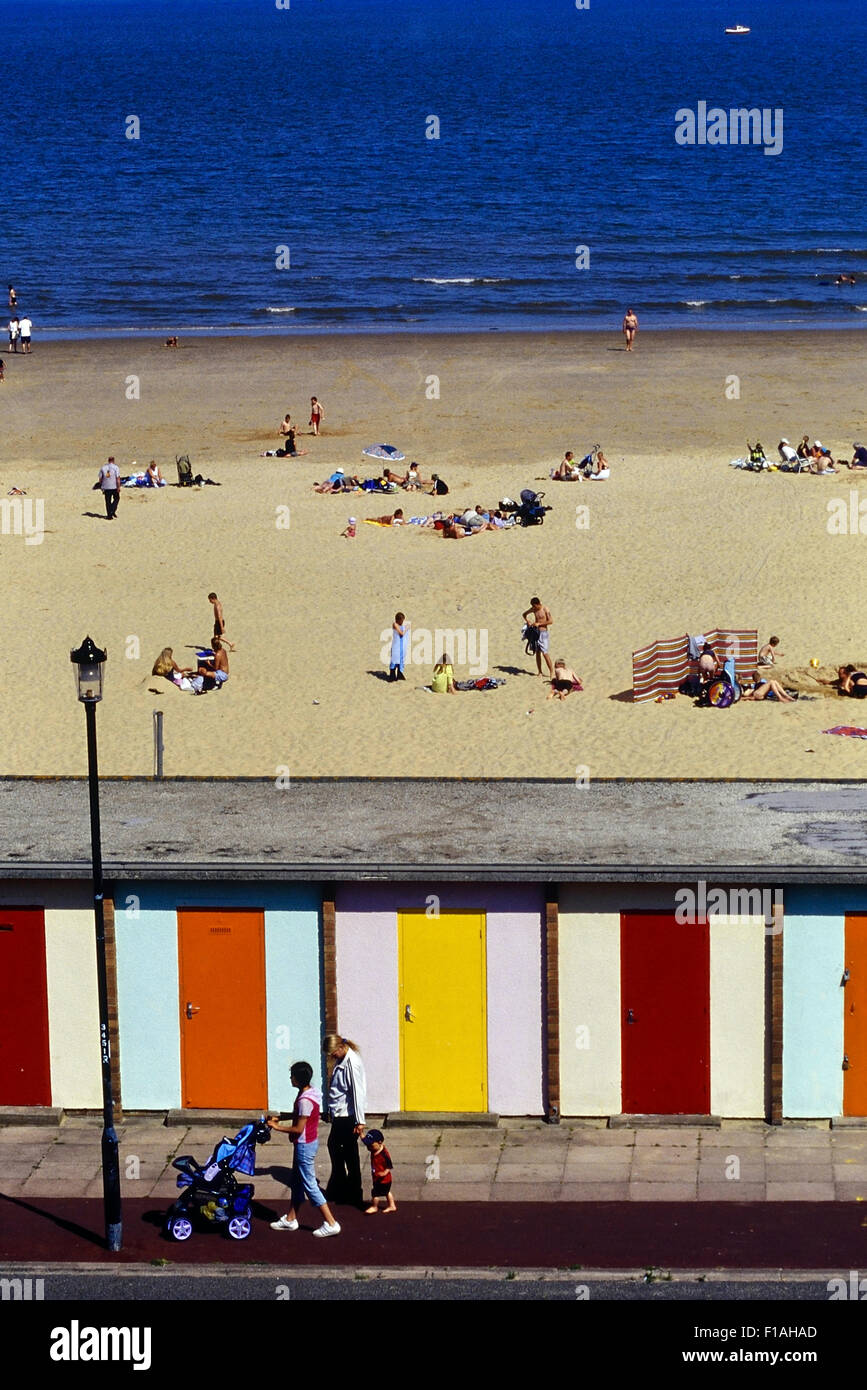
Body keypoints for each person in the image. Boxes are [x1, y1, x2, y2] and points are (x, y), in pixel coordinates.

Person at [268, 1061, 341, 1238]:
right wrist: (281, 1117)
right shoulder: (311, 1092)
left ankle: (331, 1222)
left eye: (292, 1075)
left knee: (309, 1184)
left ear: (298, 1079)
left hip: (304, 1145)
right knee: (296, 1182)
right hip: (309, 1142)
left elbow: (298, 1129)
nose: (290, 1078)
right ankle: (291, 1218)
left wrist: (277, 1127)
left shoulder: (305, 1101)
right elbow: (301, 1116)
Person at [322, 1034, 367, 1208]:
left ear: (340, 1048)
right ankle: (343, 1188)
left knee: (346, 1153)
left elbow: (357, 1092)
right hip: (340, 1114)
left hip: (347, 1116)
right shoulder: (342, 1060)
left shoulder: (351, 1063)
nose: (331, 1056)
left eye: (332, 1053)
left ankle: (351, 1191)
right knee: (340, 1151)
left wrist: (359, 1120)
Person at [362, 1130, 396, 1214]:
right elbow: (364, 1140)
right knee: (386, 1192)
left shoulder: (384, 1154)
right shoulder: (374, 1150)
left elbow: (389, 1166)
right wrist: (360, 1133)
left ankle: (374, 1207)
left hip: (383, 1179)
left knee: (375, 1193)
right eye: (368, 1145)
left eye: (371, 1145)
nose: (369, 1147)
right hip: (378, 1178)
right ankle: (392, 1205)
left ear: (379, 1142)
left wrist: (384, 1173)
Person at [522, 597, 554, 678]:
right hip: (535, 633)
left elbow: (550, 621)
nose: (534, 608)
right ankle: (540, 672)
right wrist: (527, 621)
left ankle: (551, 672)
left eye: (535, 606)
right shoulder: (533, 609)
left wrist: (539, 624)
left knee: (545, 653)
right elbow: (524, 614)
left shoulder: (545, 609)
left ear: (538, 604)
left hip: (543, 633)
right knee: (537, 652)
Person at [389, 612, 409, 681]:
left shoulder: (401, 626)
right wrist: (406, 628)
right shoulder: (395, 624)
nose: (402, 622)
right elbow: (401, 633)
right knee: (394, 659)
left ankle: (399, 674)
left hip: (402, 646)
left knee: (401, 660)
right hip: (396, 646)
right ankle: (392, 675)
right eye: (402, 620)